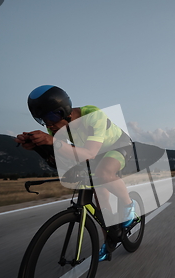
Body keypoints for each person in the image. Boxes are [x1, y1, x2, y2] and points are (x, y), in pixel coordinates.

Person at [15, 85, 135, 261]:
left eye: (50, 117)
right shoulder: (55, 128)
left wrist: (51, 141)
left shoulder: (93, 116)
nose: (48, 125)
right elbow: (59, 161)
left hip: (118, 146)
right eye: (42, 120)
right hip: (93, 151)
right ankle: (109, 239)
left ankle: (128, 206)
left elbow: (89, 154)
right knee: (99, 195)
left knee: (103, 173)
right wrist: (37, 147)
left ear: (64, 111)